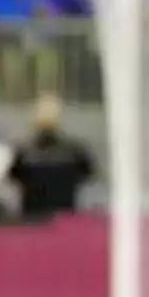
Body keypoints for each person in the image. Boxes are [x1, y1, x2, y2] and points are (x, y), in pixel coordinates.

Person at [7, 93, 95, 221]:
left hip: (33, 219)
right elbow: (89, 174)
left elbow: (12, 176)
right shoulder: (75, 152)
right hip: (66, 218)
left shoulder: (24, 153)